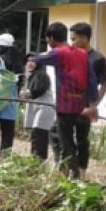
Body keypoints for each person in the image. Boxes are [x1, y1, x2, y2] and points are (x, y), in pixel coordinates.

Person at [33, 22, 95, 177]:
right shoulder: (82, 54)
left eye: (48, 40)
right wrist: (93, 104)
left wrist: (32, 59)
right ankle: (78, 172)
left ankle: (72, 177)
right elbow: (92, 80)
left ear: (51, 38)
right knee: (81, 140)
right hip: (81, 104)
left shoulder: (57, 53)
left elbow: (38, 59)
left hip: (65, 105)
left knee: (66, 142)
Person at [70, 23, 106, 174]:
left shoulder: (98, 59)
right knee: (62, 136)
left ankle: (82, 172)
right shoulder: (71, 56)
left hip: (85, 105)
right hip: (69, 103)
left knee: (82, 140)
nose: (72, 42)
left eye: (74, 39)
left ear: (85, 38)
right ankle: (66, 169)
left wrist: (94, 105)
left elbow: (105, 84)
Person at [20, 52, 56, 161]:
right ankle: (35, 160)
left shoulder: (42, 75)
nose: (30, 63)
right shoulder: (33, 76)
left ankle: (37, 161)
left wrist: (25, 94)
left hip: (44, 109)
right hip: (38, 109)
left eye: (33, 61)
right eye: (28, 61)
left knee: (39, 136)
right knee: (36, 136)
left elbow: (38, 91)